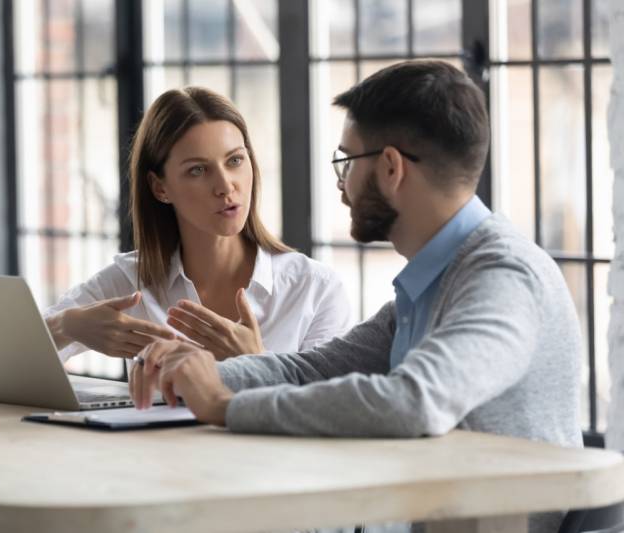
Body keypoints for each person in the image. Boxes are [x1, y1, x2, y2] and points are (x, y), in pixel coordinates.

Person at [130, 61, 582, 533]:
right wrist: (195, 372)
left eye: (346, 162)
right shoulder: (438, 281)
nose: (341, 183)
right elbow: (311, 369)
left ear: (390, 167)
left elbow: (413, 402)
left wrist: (225, 406)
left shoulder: (501, 274)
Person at [44, 86, 353, 365]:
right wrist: (67, 326)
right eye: (198, 170)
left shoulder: (314, 289)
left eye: (234, 161)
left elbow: (326, 407)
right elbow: (3, 356)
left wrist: (254, 361)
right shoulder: (132, 283)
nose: (225, 186)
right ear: (160, 188)